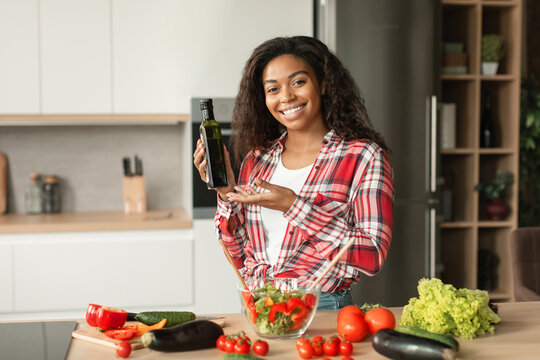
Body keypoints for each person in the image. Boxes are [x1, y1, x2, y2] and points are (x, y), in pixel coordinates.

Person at [193, 36, 394, 310]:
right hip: (257, 307)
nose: (286, 97)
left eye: (298, 82)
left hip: (322, 309)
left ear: (323, 84)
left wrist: (293, 206)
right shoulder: (257, 159)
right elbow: (239, 257)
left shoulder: (362, 156)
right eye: (273, 89)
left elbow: (372, 255)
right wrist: (226, 193)